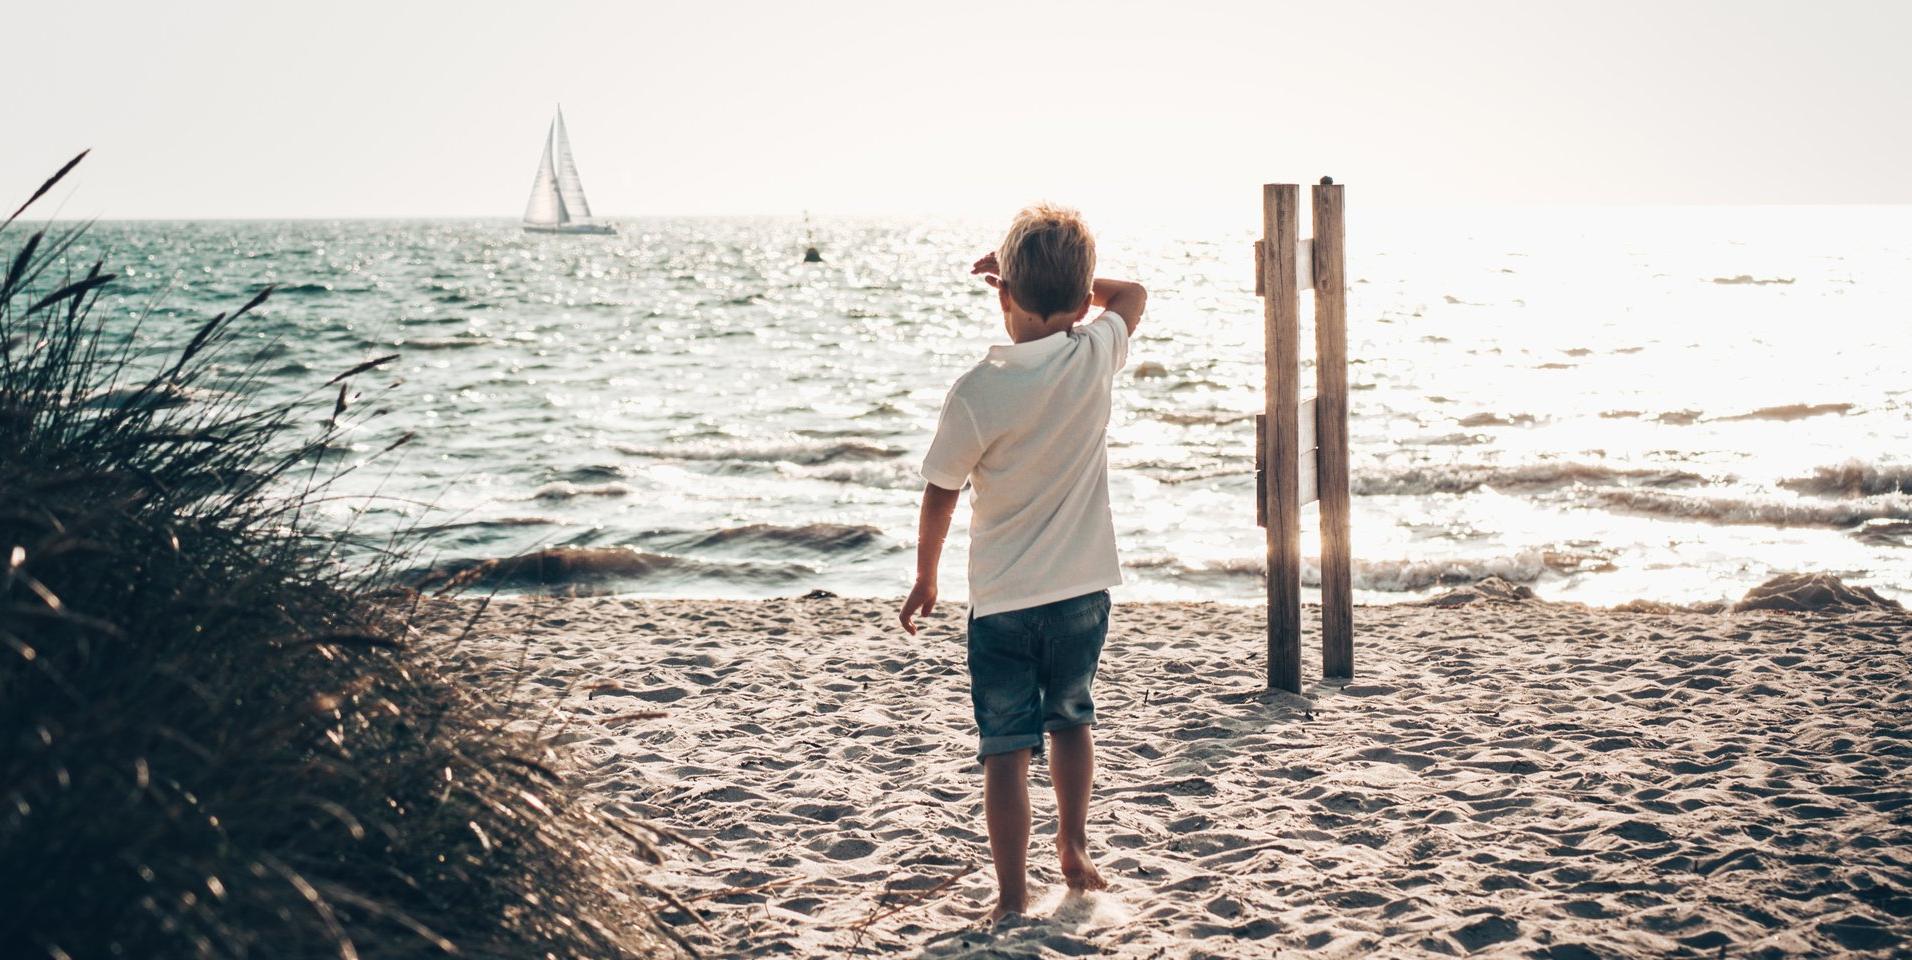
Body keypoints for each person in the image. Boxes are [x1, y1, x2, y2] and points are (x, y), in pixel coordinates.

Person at [898, 203, 1146, 923]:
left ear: (1002, 298)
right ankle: (1073, 847)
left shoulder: (979, 390)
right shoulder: (1095, 351)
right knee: (1072, 720)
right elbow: (1131, 297)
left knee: (1004, 749)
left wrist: (925, 577)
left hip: (1003, 602)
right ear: (1078, 301)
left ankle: (1011, 897)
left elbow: (940, 494)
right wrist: (1070, 287)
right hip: (1081, 594)